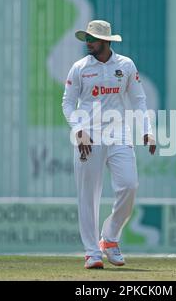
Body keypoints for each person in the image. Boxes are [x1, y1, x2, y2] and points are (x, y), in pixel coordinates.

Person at [62, 20, 156, 269]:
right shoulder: (79, 68)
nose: (87, 42)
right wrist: (79, 130)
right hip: (88, 137)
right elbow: (68, 104)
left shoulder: (125, 65)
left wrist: (147, 131)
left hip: (119, 134)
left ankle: (110, 238)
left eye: (92, 39)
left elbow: (138, 100)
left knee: (129, 185)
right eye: (86, 38)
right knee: (88, 195)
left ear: (105, 41)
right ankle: (92, 252)